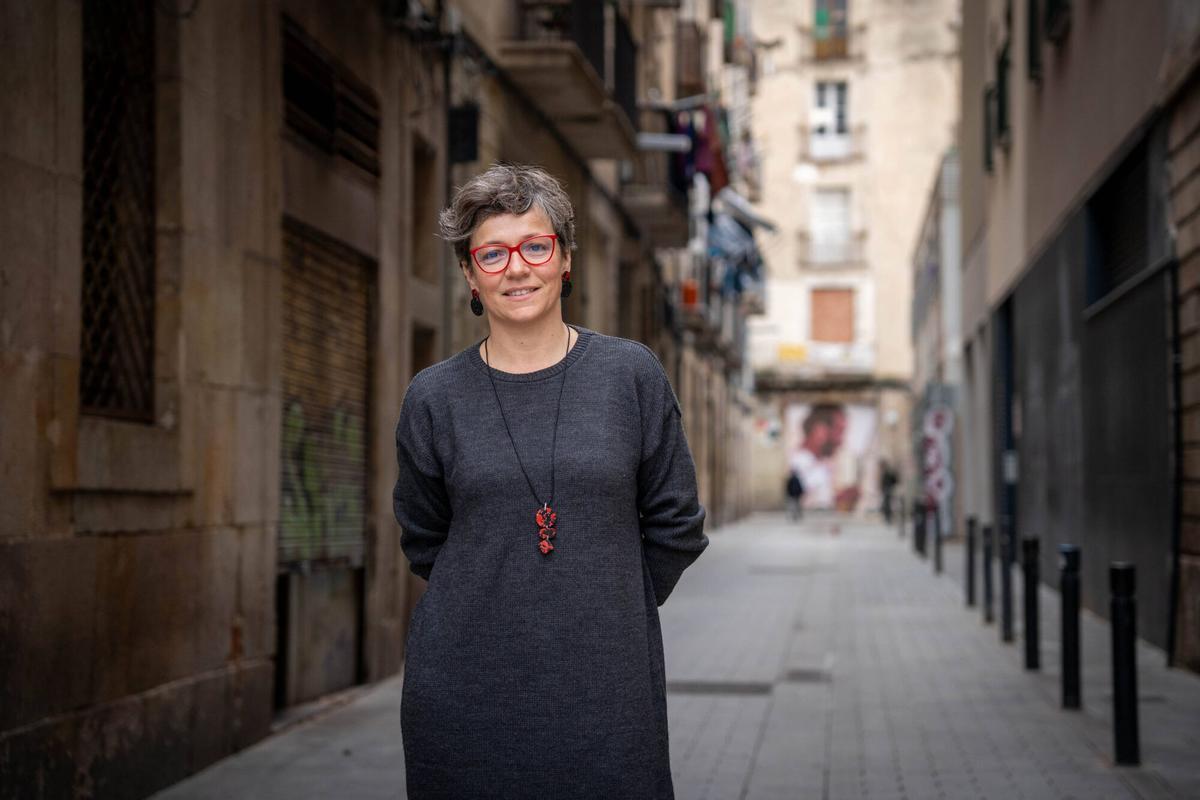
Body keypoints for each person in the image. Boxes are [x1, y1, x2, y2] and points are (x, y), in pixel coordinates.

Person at [392, 164, 708, 799]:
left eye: (535, 246)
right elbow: (424, 535)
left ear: (565, 260)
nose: (517, 268)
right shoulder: (434, 397)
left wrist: (606, 601)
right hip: (463, 690)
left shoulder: (630, 375)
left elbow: (678, 523)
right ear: (469, 273)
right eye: (493, 253)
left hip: (608, 690)